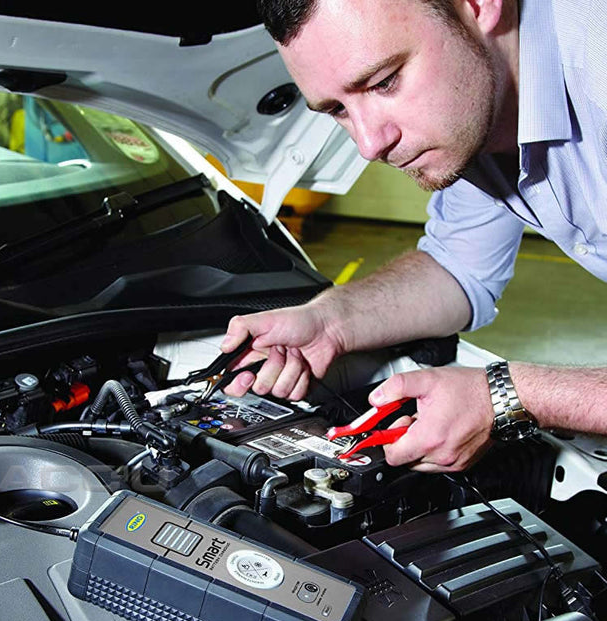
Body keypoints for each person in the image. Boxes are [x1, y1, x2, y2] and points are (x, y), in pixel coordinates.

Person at [219, 0, 607, 472]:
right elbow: (458, 268)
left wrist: (508, 395)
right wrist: (330, 322)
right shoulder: (475, 111)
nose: (369, 143)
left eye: (384, 82)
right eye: (338, 109)